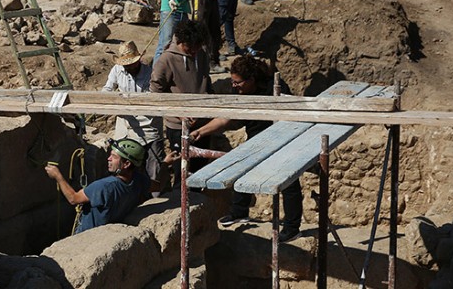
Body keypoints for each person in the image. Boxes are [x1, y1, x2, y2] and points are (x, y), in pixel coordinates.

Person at [189, 54, 304, 243]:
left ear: (251, 79)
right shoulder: (242, 93)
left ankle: (292, 228)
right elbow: (225, 118)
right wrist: (201, 132)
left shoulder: (275, 88)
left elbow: (293, 112)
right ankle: (239, 212)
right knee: (241, 170)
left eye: (238, 82)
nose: (235, 86)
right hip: (256, 142)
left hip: (283, 141)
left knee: (290, 185)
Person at [150, 20, 213, 184]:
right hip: (178, 128)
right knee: (182, 170)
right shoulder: (166, 60)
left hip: (202, 124)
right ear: (180, 41)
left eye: (197, 47)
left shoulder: (201, 53)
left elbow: (207, 83)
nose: (193, 51)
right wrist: (179, 115)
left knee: (200, 170)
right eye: (190, 48)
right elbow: (156, 93)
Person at [44, 138, 151, 234]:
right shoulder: (139, 180)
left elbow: (74, 199)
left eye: (114, 157)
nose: (108, 158)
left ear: (126, 164)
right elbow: (158, 186)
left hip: (87, 236)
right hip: (108, 232)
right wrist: (165, 165)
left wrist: (58, 176)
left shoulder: (104, 186)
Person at [102, 40, 164, 191]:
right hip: (126, 128)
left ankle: (156, 199)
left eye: (131, 63)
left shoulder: (150, 73)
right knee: (125, 167)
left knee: (153, 167)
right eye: (126, 64)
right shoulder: (117, 70)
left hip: (148, 127)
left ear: (138, 60)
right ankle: (128, 195)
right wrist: (111, 99)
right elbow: (106, 90)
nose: (129, 67)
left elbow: (155, 98)